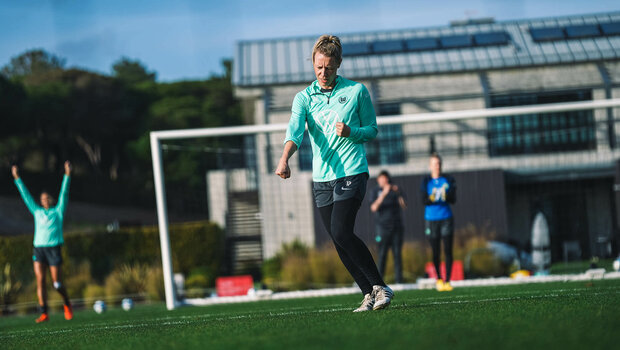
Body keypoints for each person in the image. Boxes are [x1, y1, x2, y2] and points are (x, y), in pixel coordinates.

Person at [275, 34, 393, 312]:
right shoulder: (303, 98)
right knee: (338, 239)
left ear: (338, 64)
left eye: (328, 67)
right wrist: (284, 159)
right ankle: (368, 293)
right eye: (318, 67)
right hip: (322, 178)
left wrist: (352, 132)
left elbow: (372, 130)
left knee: (342, 229)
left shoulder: (356, 91)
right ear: (313, 65)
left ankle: (380, 286)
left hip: (353, 170)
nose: (323, 73)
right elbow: (294, 132)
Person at [12, 161, 73, 322]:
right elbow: (25, 196)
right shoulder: (37, 211)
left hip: (54, 249)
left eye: (47, 198)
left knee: (57, 284)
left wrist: (67, 174)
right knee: (40, 281)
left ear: (51, 200)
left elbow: (64, 193)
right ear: (40, 201)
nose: (45, 200)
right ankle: (44, 312)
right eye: (42, 198)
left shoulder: (58, 212)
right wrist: (17, 177)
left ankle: (67, 303)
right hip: (39, 249)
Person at [420, 153, 456, 292]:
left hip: (446, 217)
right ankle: (439, 279)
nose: (437, 166)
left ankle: (447, 280)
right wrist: (433, 197)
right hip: (431, 219)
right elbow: (423, 200)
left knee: (448, 250)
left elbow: (453, 199)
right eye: (435, 163)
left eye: (439, 163)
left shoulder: (448, 179)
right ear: (430, 166)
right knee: (435, 251)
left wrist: (446, 196)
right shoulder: (426, 181)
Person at [370, 170, 406, 283]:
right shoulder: (375, 191)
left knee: (397, 255)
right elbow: (374, 208)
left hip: (396, 227)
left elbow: (404, 205)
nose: (383, 181)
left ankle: (399, 281)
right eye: (381, 179)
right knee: (382, 255)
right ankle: (379, 282)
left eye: (385, 179)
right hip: (382, 228)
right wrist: (384, 194)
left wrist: (398, 192)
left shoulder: (395, 190)